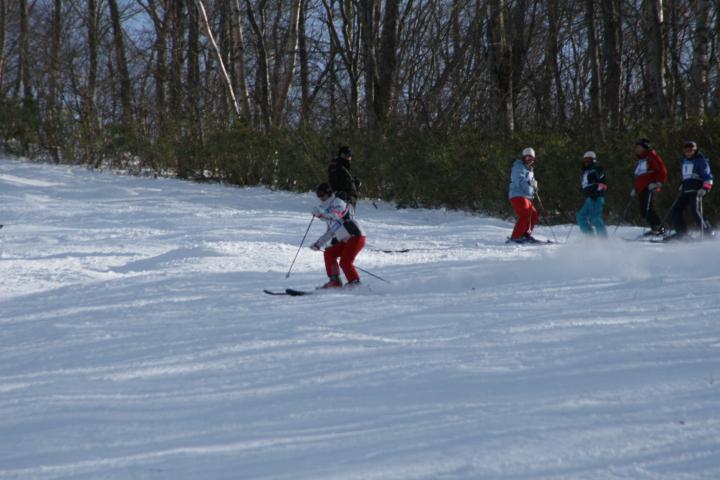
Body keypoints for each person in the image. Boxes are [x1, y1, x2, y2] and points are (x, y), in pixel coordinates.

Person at [310, 183, 366, 288]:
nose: (320, 197)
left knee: (345, 261)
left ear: (328, 193)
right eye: (318, 195)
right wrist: (318, 244)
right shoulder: (326, 208)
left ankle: (355, 283)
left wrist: (321, 215)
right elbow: (331, 231)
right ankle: (335, 281)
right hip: (346, 240)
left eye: (322, 194)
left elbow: (337, 215)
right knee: (329, 253)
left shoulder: (338, 202)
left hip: (356, 236)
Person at [666, 141, 713, 241]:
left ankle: (707, 233)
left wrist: (705, 188)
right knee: (676, 209)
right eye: (685, 151)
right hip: (686, 190)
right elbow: (685, 176)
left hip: (696, 190)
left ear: (695, 150)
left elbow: (708, 176)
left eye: (690, 151)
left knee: (695, 212)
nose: (687, 153)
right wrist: (682, 184)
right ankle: (681, 233)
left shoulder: (701, 161)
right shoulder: (684, 161)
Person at [631, 138, 668, 236]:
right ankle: (655, 228)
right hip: (642, 188)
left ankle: (661, 229)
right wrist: (636, 188)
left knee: (648, 210)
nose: (637, 149)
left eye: (639, 147)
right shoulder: (641, 159)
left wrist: (658, 182)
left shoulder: (652, 156)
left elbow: (662, 169)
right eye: (636, 147)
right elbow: (640, 175)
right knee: (644, 211)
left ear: (645, 147)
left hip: (650, 187)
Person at [508, 147, 540, 243]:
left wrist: (534, 187)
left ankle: (525, 235)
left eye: (531, 158)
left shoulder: (530, 170)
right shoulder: (518, 167)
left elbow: (530, 182)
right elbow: (519, 180)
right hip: (517, 194)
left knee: (533, 215)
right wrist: (530, 184)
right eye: (527, 157)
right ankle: (516, 236)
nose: (529, 160)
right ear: (523, 158)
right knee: (525, 214)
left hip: (526, 196)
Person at [576, 151, 608, 237]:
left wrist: (596, 190)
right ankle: (590, 238)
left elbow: (603, 182)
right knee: (581, 217)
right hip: (588, 198)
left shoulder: (597, 169)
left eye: (588, 160)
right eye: (585, 160)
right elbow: (585, 184)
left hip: (596, 197)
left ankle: (603, 238)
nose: (586, 162)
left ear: (593, 160)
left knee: (595, 218)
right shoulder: (584, 172)